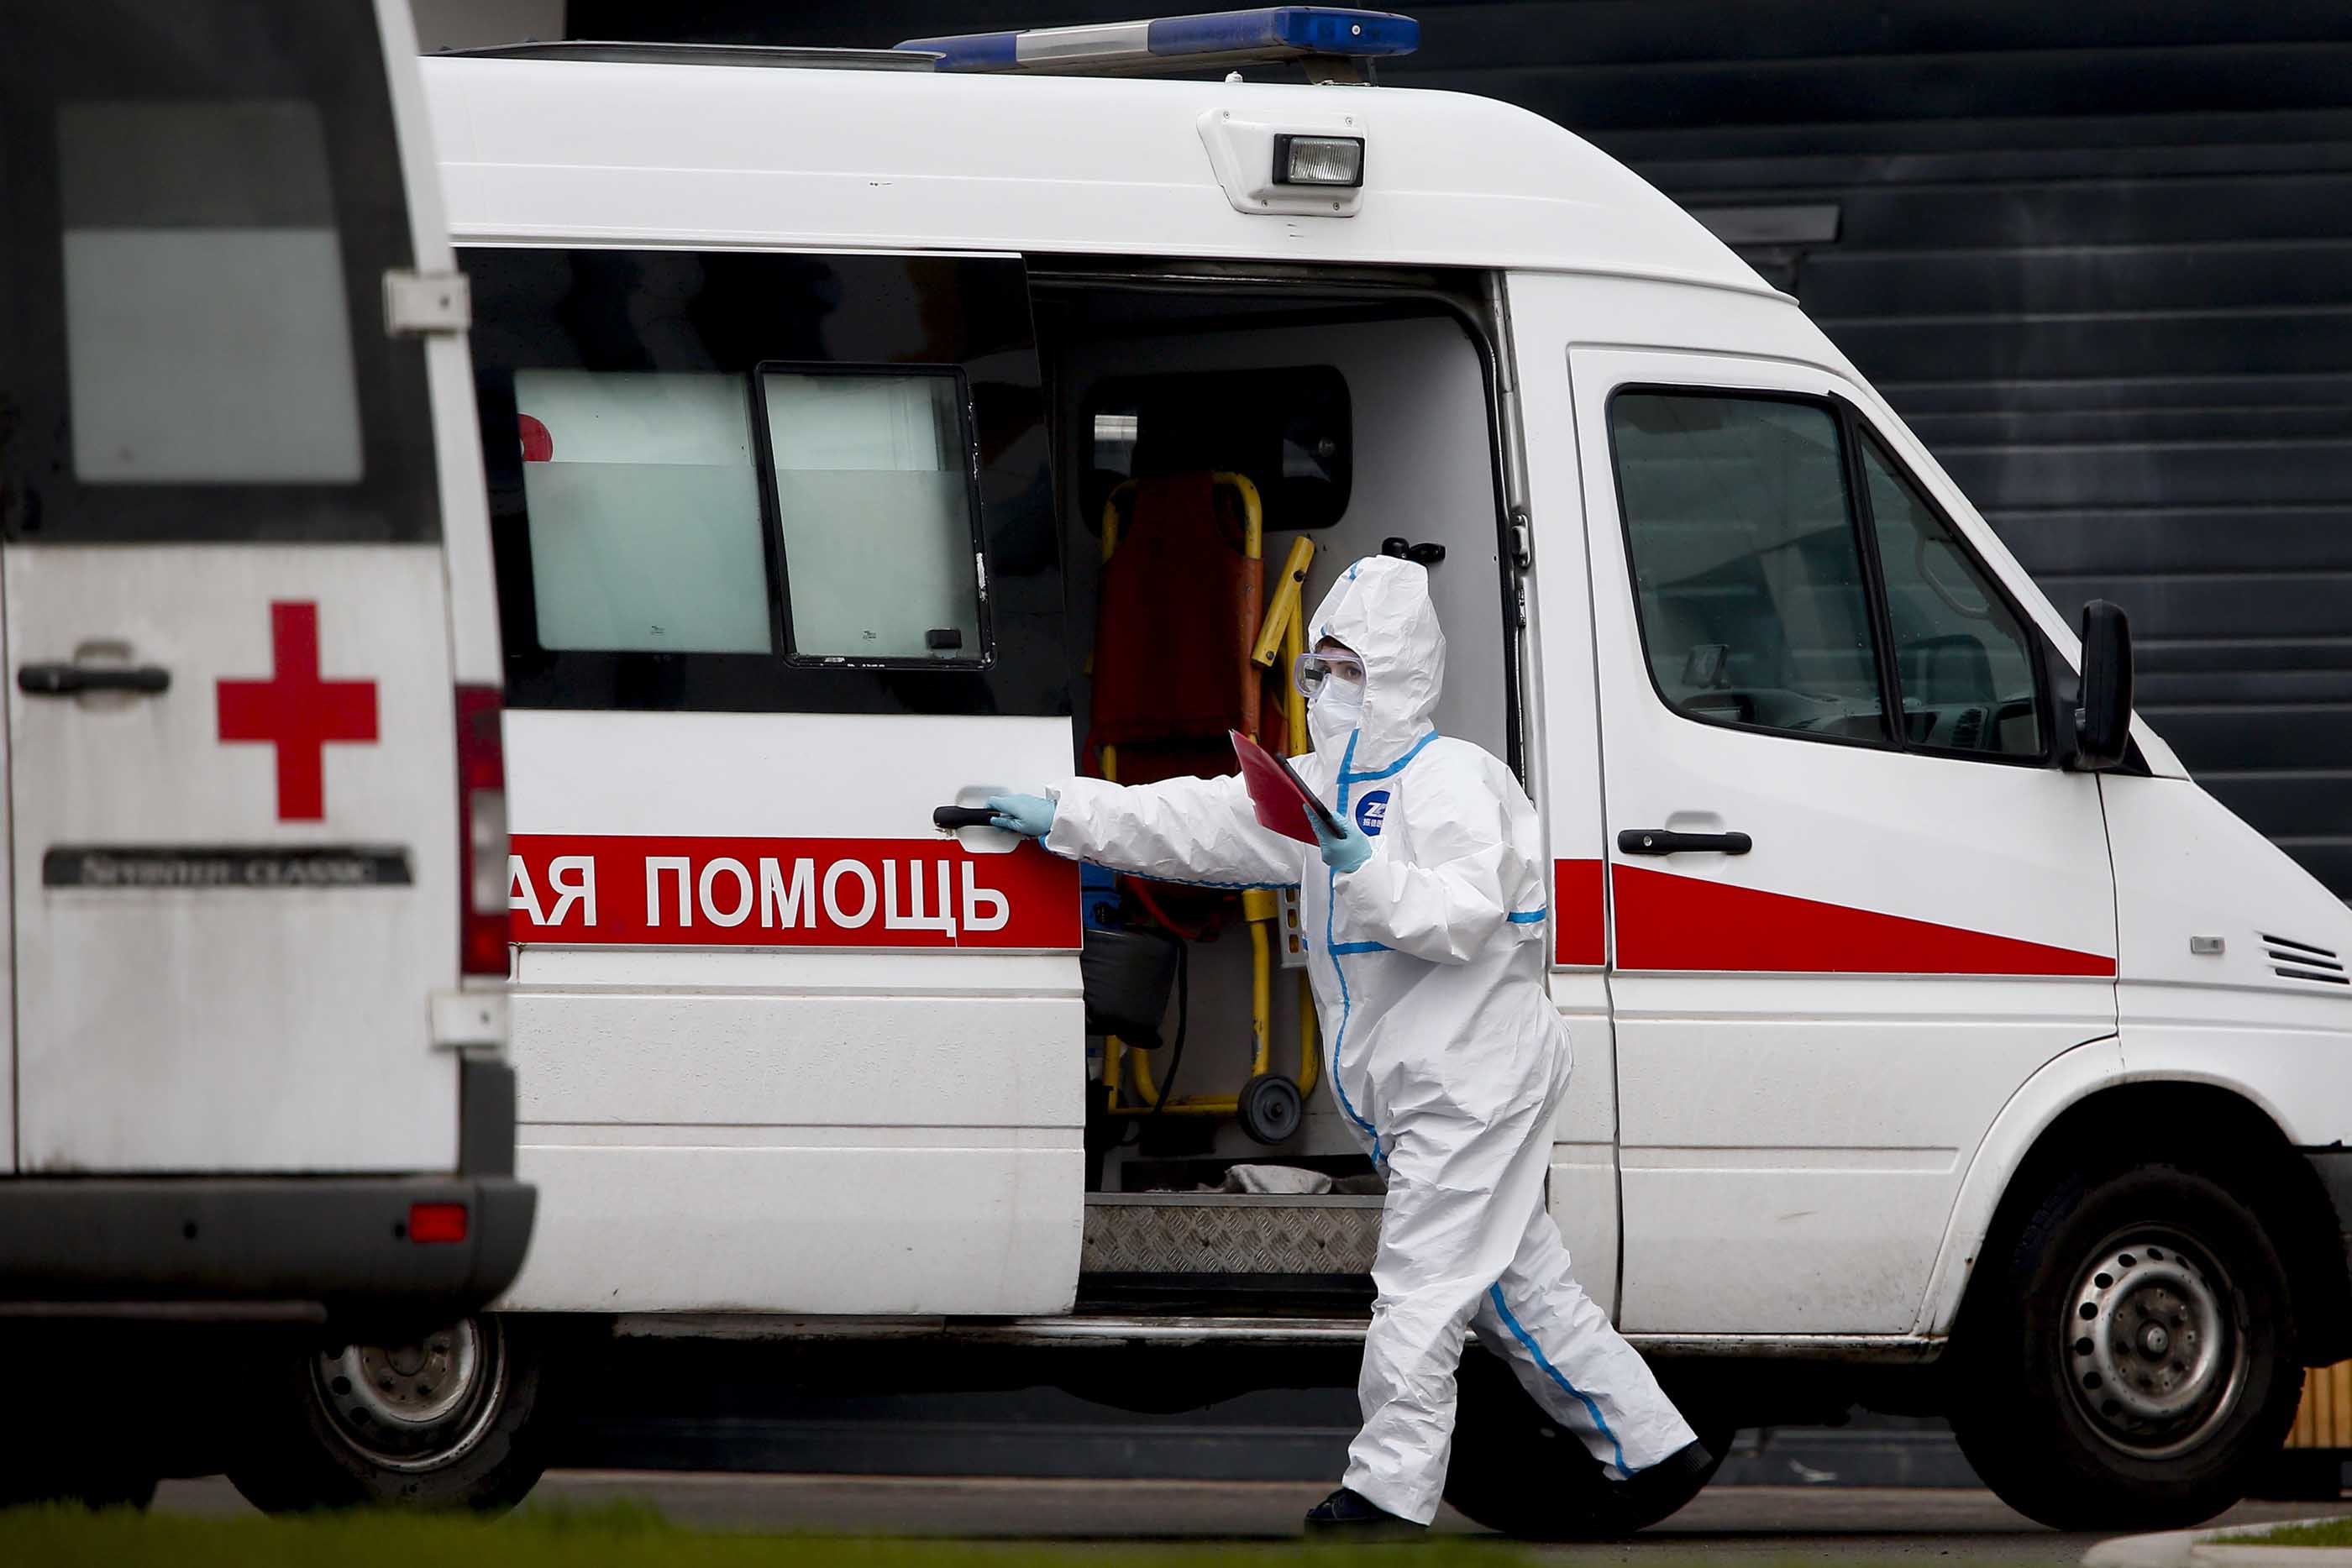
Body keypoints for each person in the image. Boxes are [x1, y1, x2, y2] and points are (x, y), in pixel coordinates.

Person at [975, 555, 1706, 1536]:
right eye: (1317, 667)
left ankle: (1387, 1497)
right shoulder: (1315, 789)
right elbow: (1187, 819)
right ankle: (1656, 1447)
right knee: (1511, 1280)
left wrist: (1357, 862)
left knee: (1420, 1286)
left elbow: (1453, 920)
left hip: (1473, 1081)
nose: (1324, 687)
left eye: (1347, 666)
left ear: (1400, 670)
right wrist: (1062, 812)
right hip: (1416, 1087)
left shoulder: (1455, 783)